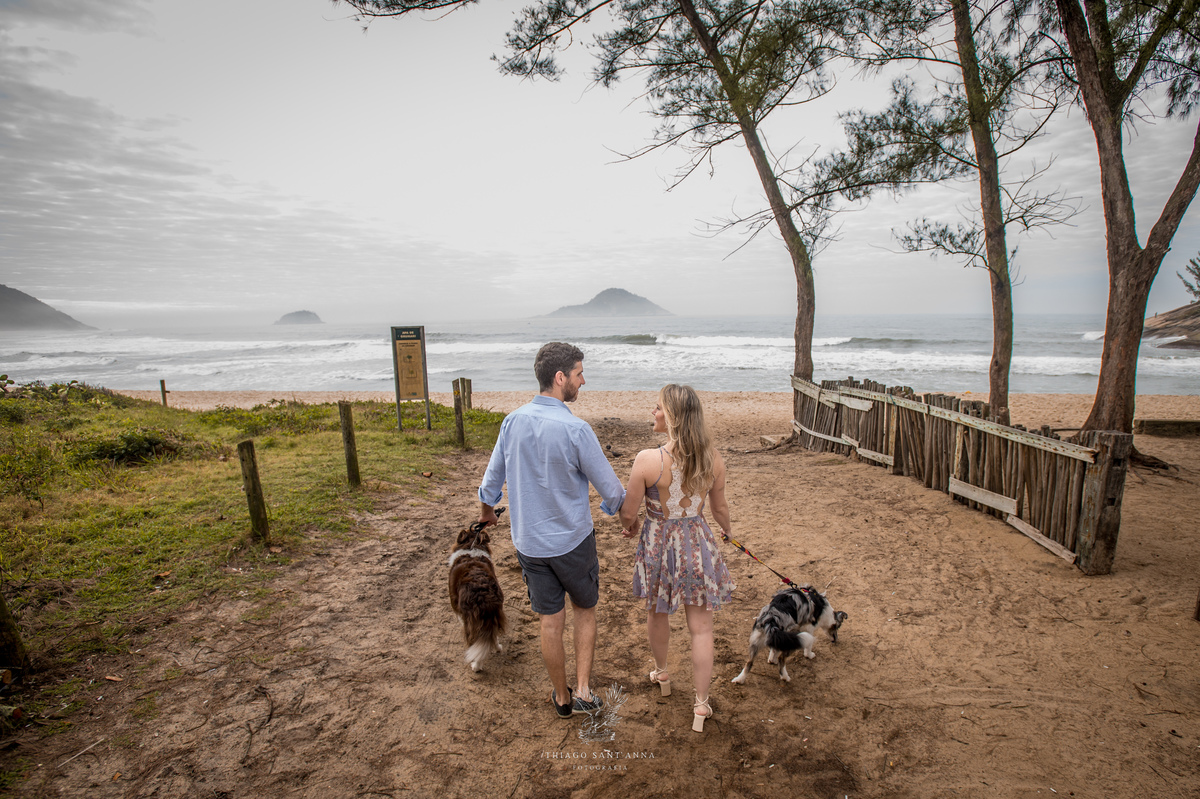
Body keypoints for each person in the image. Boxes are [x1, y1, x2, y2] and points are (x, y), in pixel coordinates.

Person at [478, 342, 625, 719]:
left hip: (530, 542)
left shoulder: (512, 422)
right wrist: (620, 513)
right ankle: (584, 690)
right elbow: (611, 490)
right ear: (560, 378)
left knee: (550, 620)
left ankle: (561, 697)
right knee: (585, 610)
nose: (583, 380)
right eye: (579, 374)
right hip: (572, 541)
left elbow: (491, 482)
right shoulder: (576, 430)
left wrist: (487, 512)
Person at [620, 384, 734, 733]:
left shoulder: (648, 460)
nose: (653, 413)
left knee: (657, 611)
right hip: (697, 542)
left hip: (658, 542)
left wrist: (631, 525)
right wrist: (728, 533)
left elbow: (628, 511)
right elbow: (719, 508)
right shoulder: (712, 458)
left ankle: (663, 671)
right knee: (702, 627)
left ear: (672, 417)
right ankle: (701, 704)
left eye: (657, 408)